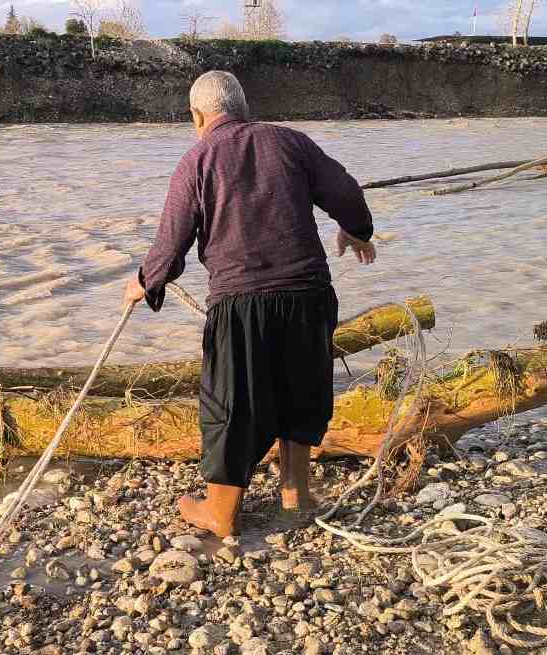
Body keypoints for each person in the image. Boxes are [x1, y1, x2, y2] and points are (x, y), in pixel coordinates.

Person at [123, 70, 377, 538]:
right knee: (302, 391)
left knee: (231, 403)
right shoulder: (291, 142)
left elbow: (172, 242)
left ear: (197, 116)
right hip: (308, 295)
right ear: (243, 108)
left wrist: (145, 282)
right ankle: (295, 496)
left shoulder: (196, 160)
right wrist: (357, 230)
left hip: (241, 303)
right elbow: (345, 191)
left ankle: (220, 513)